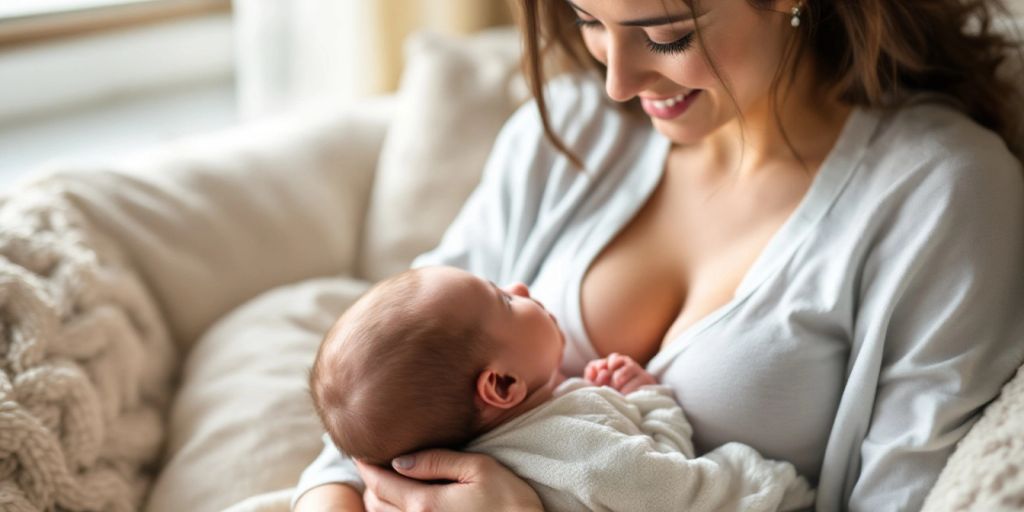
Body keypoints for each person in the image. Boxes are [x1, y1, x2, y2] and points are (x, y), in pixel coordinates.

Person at [294, 0, 1024, 510]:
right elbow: (381, 380)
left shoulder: (940, 192)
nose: (618, 81)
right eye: (589, 22)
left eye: (667, 36)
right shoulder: (573, 134)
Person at [307, 265, 815, 511]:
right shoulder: (580, 443)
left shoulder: (432, 474)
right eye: (503, 301)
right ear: (502, 385)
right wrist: (646, 399)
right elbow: (670, 481)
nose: (520, 287)